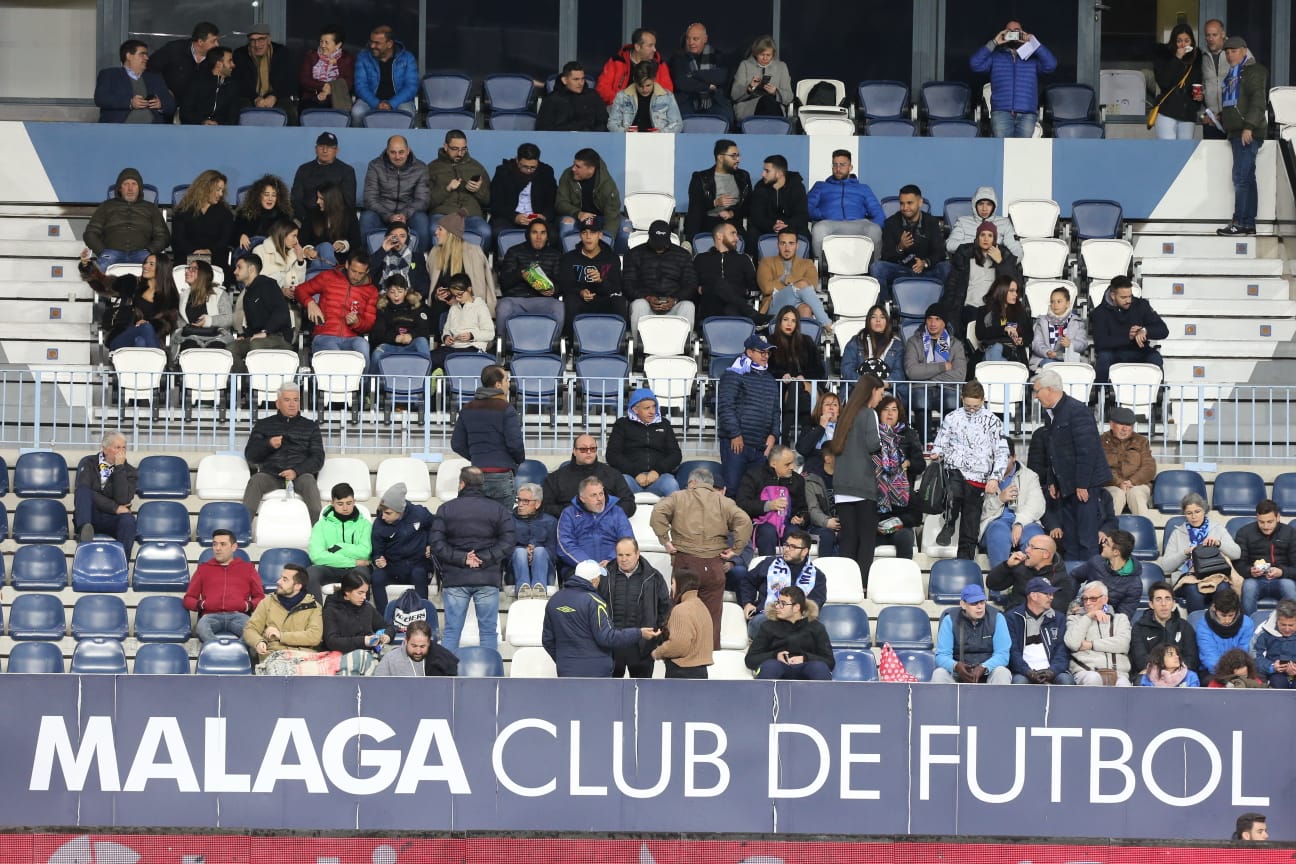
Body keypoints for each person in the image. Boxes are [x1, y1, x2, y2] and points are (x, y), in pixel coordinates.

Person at [651, 466, 753, 649]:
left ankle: (677, 654)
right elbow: (745, 522)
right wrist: (736, 550)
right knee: (711, 618)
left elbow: (658, 512)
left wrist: (665, 541)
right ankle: (706, 662)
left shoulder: (679, 497)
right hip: (714, 565)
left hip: (686, 563)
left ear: (692, 482)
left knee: (679, 613)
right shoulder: (724, 502)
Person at [429, 467, 514, 654]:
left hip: (455, 577)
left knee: (451, 631)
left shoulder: (446, 509)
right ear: (482, 484)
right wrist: (483, 558)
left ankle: (446, 676)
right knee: (488, 632)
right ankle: (491, 677)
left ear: (461, 484)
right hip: (487, 577)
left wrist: (464, 558)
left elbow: (436, 543)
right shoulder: (498, 509)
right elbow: (508, 542)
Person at [1032, 368, 1112, 561]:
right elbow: (1053, 453)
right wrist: (1052, 481)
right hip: (1066, 487)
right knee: (1070, 541)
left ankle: (1090, 585)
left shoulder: (1078, 411)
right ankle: (1072, 584)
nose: (1035, 396)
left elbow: (1088, 451)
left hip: (1084, 487)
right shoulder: (1051, 414)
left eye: (1037, 391)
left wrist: (1082, 484)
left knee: (1086, 540)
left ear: (1050, 389)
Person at [929, 380, 1009, 558]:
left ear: (983, 400)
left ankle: (965, 564)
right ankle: (949, 523)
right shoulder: (952, 418)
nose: (972, 409)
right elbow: (941, 442)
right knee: (953, 493)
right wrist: (936, 452)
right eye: (968, 405)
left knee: (970, 527)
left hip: (979, 479)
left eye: (976, 406)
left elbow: (1002, 451)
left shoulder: (993, 421)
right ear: (961, 398)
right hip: (955, 471)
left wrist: (995, 477)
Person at [543, 560, 661, 677]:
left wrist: (564, 661)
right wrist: (639, 633)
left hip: (566, 670)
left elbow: (547, 640)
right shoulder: (594, 601)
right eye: (599, 577)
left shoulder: (554, 600)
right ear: (594, 581)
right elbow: (607, 637)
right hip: (596, 672)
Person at [826, 374, 886, 587]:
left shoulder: (846, 414)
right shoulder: (869, 413)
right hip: (863, 485)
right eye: (880, 393)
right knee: (866, 540)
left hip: (842, 486)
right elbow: (873, 445)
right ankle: (861, 586)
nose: (881, 398)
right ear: (871, 391)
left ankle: (845, 585)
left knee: (848, 539)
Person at [242, 382, 324, 523]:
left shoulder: (310, 426)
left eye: (296, 400)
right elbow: (250, 455)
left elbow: (318, 458)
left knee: (310, 481)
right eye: (287, 400)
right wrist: (268, 444)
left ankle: (318, 531)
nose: (292, 404)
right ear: (278, 403)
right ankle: (242, 529)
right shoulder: (263, 424)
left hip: (300, 476)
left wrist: (296, 471)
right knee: (256, 480)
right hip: (271, 475)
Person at [451, 364, 525, 508]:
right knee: (503, 524)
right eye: (507, 380)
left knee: (477, 522)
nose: (509, 384)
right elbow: (515, 444)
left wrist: (477, 456)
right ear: (498, 385)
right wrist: (518, 461)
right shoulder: (505, 408)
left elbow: (457, 444)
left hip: (476, 474)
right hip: (501, 474)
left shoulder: (468, 408)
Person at [969, 19, 1057, 138]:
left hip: (1027, 114)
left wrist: (1033, 43)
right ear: (1004, 34)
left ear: (1023, 33)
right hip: (1001, 113)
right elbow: (975, 64)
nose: (1014, 34)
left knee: (1022, 154)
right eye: (1009, 31)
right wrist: (994, 42)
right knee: (1001, 152)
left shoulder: (1033, 59)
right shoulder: (996, 57)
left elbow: (1051, 65)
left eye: (1017, 31)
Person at [1156, 492, 1242, 613]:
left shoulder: (1217, 529)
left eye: (1197, 511)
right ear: (1184, 514)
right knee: (1193, 590)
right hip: (1187, 577)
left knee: (1223, 588)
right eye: (1189, 513)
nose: (1194, 516)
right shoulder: (1177, 533)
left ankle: (1221, 627)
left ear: (1204, 511)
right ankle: (1196, 629)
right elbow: (1166, 567)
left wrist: (1219, 544)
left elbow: (1237, 553)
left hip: (1215, 575)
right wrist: (1184, 553)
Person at [717, 333, 781, 494]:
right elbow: (726, 406)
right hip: (737, 445)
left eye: (768, 353)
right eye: (762, 352)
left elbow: (776, 411)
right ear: (749, 352)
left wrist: (773, 435)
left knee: (754, 492)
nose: (766, 356)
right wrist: (735, 434)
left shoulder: (770, 379)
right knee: (731, 490)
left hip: (760, 447)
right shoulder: (733, 374)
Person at [78, 249, 179, 351]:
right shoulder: (130, 282)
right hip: (121, 336)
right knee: (145, 329)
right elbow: (102, 283)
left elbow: (168, 323)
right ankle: (160, 363)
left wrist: (148, 324)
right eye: (145, 262)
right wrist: (86, 265)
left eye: (151, 264)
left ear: (162, 268)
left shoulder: (170, 295)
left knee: (141, 339)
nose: (145, 266)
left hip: (150, 338)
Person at [1216, 36, 1267, 236]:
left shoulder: (1254, 71)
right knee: (1247, 177)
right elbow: (1235, 104)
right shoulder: (1232, 74)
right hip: (1238, 132)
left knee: (1240, 178)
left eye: (1234, 51)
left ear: (1244, 51)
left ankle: (1240, 222)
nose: (1230, 55)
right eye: (1227, 52)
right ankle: (1248, 223)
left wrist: (1249, 126)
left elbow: (1258, 102)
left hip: (1248, 132)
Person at [600, 538, 671, 678]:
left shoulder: (654, 577)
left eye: (628, 555)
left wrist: (655, 639)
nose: (624, 559)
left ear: (637, 554)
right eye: (620, 555)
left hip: (642, 649)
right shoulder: (604, 575)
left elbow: (665, 610)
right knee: (609, 695)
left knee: (642, 696)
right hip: (612, 647)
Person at [871, 184, 949, 303]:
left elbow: (940, 252)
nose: (905, 207)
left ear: (920, 202)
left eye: (909, 203)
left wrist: (926, 263)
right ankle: (886, 310)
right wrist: (900, 247)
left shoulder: (932, 222)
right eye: (902, 203)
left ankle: (942, 311)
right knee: (877, 267)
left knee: (947, 267)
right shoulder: (891, 223)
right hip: (902, 271)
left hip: (927, 270)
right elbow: (886, 256)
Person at [183, 528, 262, 643]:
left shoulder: (248, 568)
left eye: (223, 544)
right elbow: (188, 599)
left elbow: (260, 598)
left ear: (234, 547)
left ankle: (237, 652)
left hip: (239, 616)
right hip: (210, 616)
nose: (217, 548)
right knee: (201, 628)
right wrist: (202, 604)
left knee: (252, 632)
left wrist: (247, 605)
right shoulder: (204, 569)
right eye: (215, 544)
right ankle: (217, 650)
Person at [740, 528, 823, 637]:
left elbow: (815, 603)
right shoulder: (769, 564)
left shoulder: (816, 575)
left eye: (793, 547)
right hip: (766, 617)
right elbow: (747, 581)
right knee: (764, 624)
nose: (787, 549)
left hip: (797, 621)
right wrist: (747, 603)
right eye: (786, 545)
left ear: (805, 551)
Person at [943, 227, 1024, 338]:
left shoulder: (1004, 257)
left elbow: (1013, 286)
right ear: (977, 238)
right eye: (982, 235)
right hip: (970, 308)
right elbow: (951, 285)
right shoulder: (965, 257)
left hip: (994, 310)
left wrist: (1001, 262)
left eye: (990, 235)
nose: (986, 239)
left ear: (995, 240)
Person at [978, 438, 1045, 569]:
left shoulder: (1030, 476)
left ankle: (1032, 585)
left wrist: (1019, 522)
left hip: (1026, 523)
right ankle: (998, 587)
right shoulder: (982, 477)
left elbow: (1037, 505)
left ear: (1013, 457)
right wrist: (999, 500)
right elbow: (978, 512)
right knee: (999, 532)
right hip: (994, 523)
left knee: (1035, 537)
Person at [83, 168, 170, 270]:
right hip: (111, 253)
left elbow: (163, 236)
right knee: (97, 271)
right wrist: (102, 251)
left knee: (157, 271)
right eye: (126, 184)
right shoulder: (106, 206)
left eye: (134, 184)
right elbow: (90, 233)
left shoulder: (151, 208)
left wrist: (150, 251)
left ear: (139, 188)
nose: (130, 189)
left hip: (143, 254)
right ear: (120, 188)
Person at [1089, 276, 1169, 385]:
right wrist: (1128, 337)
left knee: (1155, 357)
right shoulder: (1099, 312)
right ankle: (1101, 396)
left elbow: (1163, 330)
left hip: (1140, 351)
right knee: (1103, 358)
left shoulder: (1141, 305)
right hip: (1113, 353)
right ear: (1113, 295)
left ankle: (1156, 396)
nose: (1128, 300)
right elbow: (1101, 342)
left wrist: (1144, 330)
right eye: (1123, 297)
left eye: (1130, 296)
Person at [624, 220, 698, 336]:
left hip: (673, 304)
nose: (659, 247)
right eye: (656, 243)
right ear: (649, 237)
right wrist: (647, 297)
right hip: (646, 303)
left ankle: (683, 348)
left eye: (663, 243)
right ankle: (637, 347)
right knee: (639, 305)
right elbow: (628, 284)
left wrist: (675, 299)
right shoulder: (634, 254)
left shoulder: (682, 254)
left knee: (688, 306)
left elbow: (691, 284)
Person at [806, 150, 885, 259]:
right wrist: (822, 213)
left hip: (857, 224)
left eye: (842, 165)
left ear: (850, 167)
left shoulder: (863, 188)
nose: (838, 169)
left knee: (874, 230)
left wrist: (875, 224)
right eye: (835, 165)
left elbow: (878, 212)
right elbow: (806, 208)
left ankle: (874, 268)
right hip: (831, 224)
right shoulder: (821, 186)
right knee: (819, 229)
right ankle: (820, 270)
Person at [904, 304, 968, 438]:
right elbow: (912, 372)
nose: (933, 323)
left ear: (944, 322)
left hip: (948, 389)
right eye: (929, 319)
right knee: (922, 400)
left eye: (938, 319)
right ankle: (926, 444)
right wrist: (942, 367)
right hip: (921, 389)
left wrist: (926, 374)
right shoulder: (914, 342)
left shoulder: (955, 344)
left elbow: (959, 376)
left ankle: (948, 445)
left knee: (952, 401)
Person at [296, 252, 377, 358]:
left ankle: (360, 376)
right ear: (347, 265)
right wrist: (310, 303)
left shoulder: (371, 291)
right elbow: (300, 290)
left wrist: (357, 322)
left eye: (361, 273)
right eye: (353, 271)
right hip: (325, 335)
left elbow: (369, 323)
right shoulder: (329, 277)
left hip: (351, 338)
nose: (356, 276)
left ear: (367, 271)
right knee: (336, 356)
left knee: (363, 345)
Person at [556, 215, 626, 337]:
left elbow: (616, 288)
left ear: (600, 235)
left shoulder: (611, 258)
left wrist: (601, 281)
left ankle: (618, 344)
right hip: (580, 301)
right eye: (584, 232)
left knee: (619, 301)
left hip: (604, 300)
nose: (588, 237)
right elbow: (565, 285)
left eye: (593, 232)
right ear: (580, 235)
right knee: (571, 302)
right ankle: (572, 347)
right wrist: (580, 292)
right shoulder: (569, 258)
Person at [606, 388, 682, 497]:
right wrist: (635, 473)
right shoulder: (622, 424)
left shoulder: (664, 424)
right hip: (630, 477)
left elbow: (675, 454)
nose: (652, 411)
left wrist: (657, 471)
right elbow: (612, 455)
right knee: (622, 483)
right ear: (635, 410)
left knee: (671, 484)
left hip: (659, 477)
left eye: (654, 406)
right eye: (647, 408)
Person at [745, 586, 834, 680]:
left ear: (796, 607)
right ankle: (765, 695)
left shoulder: (816, 627)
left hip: (807, 668)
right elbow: (750, 659)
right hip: (777, 667)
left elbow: (830, 662)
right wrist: (775, 655)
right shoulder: (768, 626)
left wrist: (805, 658)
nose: (777, 606)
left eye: (783, 603)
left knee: (819, 668)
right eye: (777, 602)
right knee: (770, 666)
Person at [736, 445, 810, 556]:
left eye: (793, 463)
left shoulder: (797, 480)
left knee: (795, 534)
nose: (792, 467)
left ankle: (793, 570)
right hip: (759, 524)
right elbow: (742, 504)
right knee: (768, 531)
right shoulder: (754, 476)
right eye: (787, 464)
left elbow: (803, 509)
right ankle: (766, 569)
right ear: (774, 464)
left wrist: (802, 518)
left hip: (787, 524)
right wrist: (768, 506)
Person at [244, 563, 323, 666]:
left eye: (285, 579)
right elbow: (250, 629)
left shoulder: (314, 607)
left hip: (303, 658)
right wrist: (258, 642)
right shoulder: (267, 602)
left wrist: (281, 635)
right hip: (272, 656)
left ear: (297, 586)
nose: (278, 582)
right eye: (281, 577)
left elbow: (314, 637)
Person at [541, 435, 636, 519]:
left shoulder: (612, 474)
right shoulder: (556, 478)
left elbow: (628, 503)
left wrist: (607, 514)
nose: (589, 452)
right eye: (583, 449)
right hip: (571, 525)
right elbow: (545, 506)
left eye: (593, 448)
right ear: (574, 451)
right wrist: (574, 513)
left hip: (607, 525)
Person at [305, 482, 372, 603]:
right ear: (332, 503)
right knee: (310, 574)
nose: (345, 508)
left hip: (355, 569)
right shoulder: (321, 526)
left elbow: (365, 552)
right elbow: (316, 556)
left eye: (349, 503)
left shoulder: (365, 525)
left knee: (363, 575)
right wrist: (353, 561)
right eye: (340, 504)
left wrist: (339, 547)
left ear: (354, 501)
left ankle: (361, 617)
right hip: (332, 567)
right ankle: (316, 616)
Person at [768, 305, 827, 440]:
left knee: (798, 386)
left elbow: (819, 370)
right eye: (786, 319)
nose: (789, 324)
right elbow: (768, 368)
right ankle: (806, 437)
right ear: (779, 322)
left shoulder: (807, 341)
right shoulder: (771, 341)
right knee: (799, 391)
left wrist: (804, 377)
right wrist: (782, 375)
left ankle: (784, 433)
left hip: (808, 385)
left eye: (793, 321)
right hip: (783, 388)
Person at [73, 431, 138, 553]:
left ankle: (122, 566)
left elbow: (123, 500)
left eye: (124, 448)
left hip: (112, 519)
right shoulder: (89, 463)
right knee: (83, 491)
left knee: (128, 520)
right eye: (117, 447)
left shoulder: (130, 472)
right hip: (90, 516)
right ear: (105, 449)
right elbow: (85, 492)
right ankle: (84, 534)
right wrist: (115, 507)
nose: (121, 451)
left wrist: (119, 468)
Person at [227, 253, 293, 373]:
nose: (235, 271)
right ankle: (244, 383)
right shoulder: (247, 294)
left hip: (278, 336)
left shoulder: (268, 285)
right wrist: (245, 336)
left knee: (256, 345)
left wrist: (266, 331)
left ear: (251, 269)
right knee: (231, 348)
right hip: (257, 337)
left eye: (239, 267)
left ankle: (260, 385)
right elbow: (255, 324)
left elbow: (280, 312)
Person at [427, 130, 493, 249]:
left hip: (470, 215)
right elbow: (427, 202)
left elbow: (489, 201)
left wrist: (477, 190)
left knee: (486, 232)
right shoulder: (432, 168)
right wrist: (447, 189)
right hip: (443, 215)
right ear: (445, 146)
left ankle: (480, 265)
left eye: (463, 149)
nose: (460, 153)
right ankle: (441, 266)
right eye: (455, 149)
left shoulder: (476, 167)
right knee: (433, 230)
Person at [426, 210, 498, 319]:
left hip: (469, 304)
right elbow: (433, 284)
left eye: (440, 229)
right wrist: (438, 294)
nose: (436, 232)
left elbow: (479, 289)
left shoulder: (473, 252)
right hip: (443, 304)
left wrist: (459, 298)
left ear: (451, 234)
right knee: (437, 311)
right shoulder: (435, 252)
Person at [932, 583, 1011, 684]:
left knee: (1002, 672)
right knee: (939, 674)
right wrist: (955, 666)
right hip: (958, 674)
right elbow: (942, 655)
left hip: (988, 673)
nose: (980, 607)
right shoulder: (950, 619)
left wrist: (985, 667)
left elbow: (1003, 655)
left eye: (982, 602)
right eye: (974, 603)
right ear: (963, 604)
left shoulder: (997, 617)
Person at [556, 477, 634, 577]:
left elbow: (627, 540)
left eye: (601, 494)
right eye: (594, 495)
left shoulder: (616, 511)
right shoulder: (569, 514)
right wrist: (589, 565)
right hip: (579, 568)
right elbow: (565, 545)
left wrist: (611, 560)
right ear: (582, 498)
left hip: (613, 566)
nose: (599, 498)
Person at [370, 482, 434, 604]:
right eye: (382, 511)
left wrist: (430, 544)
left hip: (417, 564)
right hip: (392, 567)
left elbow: (435, 526)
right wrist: (378, 560)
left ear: (400, 511)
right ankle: (384, 620)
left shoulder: (419, 513)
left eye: (388, 513)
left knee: (419, 574)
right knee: (376, 577)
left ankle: (421, 618)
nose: (383, 516)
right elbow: (376, 552)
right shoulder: (379, 524)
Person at [360, 135, 431, 243]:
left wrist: (404, 214)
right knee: (367, 218)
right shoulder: (375, 166)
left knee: (421, 220)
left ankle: (420, 258)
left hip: (408, 216)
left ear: (408, 151)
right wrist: (389, 216)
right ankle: (366, 258)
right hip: (382, 214)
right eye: (393, 152)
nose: (397, 156)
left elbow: (423, 200)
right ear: (387, 151)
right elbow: (370, 198)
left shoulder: (420, 168)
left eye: (401, 152)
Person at [694, 222, 767, 325]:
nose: (737, 238)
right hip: (710, 306)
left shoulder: (743, 259)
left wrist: (705, 288)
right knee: (718, 284)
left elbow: (754, 288)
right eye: (733, 233)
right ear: (719, 236)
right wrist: (710, 289)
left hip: (736, 307)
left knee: (729, 307)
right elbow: (693, 286)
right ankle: (754, 316)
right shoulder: (701, 259)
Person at [1232, 500, 1296, 616]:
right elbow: (1238, 564)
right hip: (1254, 579)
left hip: (1282, 578)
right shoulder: (1244, 533)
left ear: (1278, 517)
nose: (1266, 526)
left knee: (1290, 587)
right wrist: (1250, 571)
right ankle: (1249, 628)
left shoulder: (1290, 533)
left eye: (1270, 522)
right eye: (1261, 522)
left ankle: (1292, 628)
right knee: (1248, 587)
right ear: (1257, 518)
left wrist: (1281, 572)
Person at [1006, 576, 1074, 685]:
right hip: (1024, 672)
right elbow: (1012, 651)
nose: (1051, 597)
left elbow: (1062, 651)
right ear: (1033, 596)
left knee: (1066, 680)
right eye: (1047, 594)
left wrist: (1052, 671)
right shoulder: (1013, 618)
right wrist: (1027, 672)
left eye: (1052, 594)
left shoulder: (1059, 618)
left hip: (1052, 671)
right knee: (1019, 682)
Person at [149, 21, 221, 121]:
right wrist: (163, 91)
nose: (217, 45)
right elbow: (150, 68)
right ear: (200, 42)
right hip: (167, 110)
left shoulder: (215, 60)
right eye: (214, 41)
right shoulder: (173, 49)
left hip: (195, 114)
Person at [1129, 581, 1199, 683]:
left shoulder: (1184, 627)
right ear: (1151, 604)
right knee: (1140, 680)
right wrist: (1164, 670)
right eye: (1158, 599)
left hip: (1179, 674)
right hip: (1150, 676)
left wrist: (1172, 671)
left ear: (1174, 603)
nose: (1163, 604)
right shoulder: (1139, 627)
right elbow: (1140, 661)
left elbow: (1192, 660)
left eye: (1168, 599)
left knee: (1192, 677)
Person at [1065, 581, 1133, 686]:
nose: (1088, 603)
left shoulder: (1120, 619)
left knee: (1124, 686)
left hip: (1118, 673)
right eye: (1085, 599)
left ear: (1104, 599)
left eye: (1093, 599)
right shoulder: (1074, 619)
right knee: (1093, 678)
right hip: (1087, 671)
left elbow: (1123, 644)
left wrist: (1091, 644)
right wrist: (1088, 617)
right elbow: (1073, 643)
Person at [757, 230, 831, 325]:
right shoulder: (766, 262)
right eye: (783, 243)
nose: (787, 248)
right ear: (777, 245)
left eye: (791, 243)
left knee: (806, 309)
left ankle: (805, 339)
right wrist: (796, 285)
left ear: (797, 245)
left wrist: (786, 279)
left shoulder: (807, 263)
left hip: (799, 303)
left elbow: (812, 285)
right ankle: (827, 324)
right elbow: (767, 288)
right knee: (802, 284)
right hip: (775, 304)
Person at [986, 533, 1075, 613]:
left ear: (1045, 554)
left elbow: (1057, 610)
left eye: (1032, 547)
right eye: (1028, 545)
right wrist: (1007, 566)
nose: (1027, 550)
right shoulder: (1021, 566)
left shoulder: (1061, 579)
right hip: (1013, 619)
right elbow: (992, 585)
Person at [683, 139, 751, 241]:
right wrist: (715, 202)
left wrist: (732, 213)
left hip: (733, 222)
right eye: (733, 156)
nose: (738, 159)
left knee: (749, 238)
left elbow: (749, 205)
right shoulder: (700, 178)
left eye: (738, 155)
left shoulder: (743, 177)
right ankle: (691, 244)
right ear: (720, 158)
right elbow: (695, 207)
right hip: (709, 222)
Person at [488, 143, 557, 241]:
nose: (529, 170)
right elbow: (496, 204)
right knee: (499, 233)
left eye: (533, 167)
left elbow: (552, 202)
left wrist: (544, 216)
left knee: (553, 235)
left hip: (537, 218)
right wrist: (515, 217)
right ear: (517, 160)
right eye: (525, 166)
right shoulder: (503, 172)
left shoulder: (546, 172)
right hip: (509, 217)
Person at [652, 571, 714, 679]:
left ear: (681, 584)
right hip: (701, 673)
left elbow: (679, 646)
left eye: (673, 583)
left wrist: (658, 652)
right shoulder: (702, 607)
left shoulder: (681, 610)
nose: (671, 587)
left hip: (682, 673)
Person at [94, 39, 174, 123]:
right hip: (118, 131)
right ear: (129, 56)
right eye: (142, 54)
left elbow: (171, 106)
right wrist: (130, 102)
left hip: (152, 132)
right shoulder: (110, 75)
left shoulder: (155, 78)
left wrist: (161, 105)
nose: (147, 58)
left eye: (146, 55)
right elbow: (101, 99)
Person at [351, 25, 419, 123]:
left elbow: (411, 87)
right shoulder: (363, 57)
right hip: (370, 100)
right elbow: (360, 86)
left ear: (389, 43)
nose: (372, 46)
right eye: (371, 41)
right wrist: (376, 103)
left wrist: (391, 103)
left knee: (407, 113)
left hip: (399, 101)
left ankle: (401, 139)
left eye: (377, 43)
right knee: (357, 112)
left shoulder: (408, 58)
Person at [1069, 529, 1143, 619]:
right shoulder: (1096, 562)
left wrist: (1099, 611)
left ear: (1116, 552)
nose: (1103, 545)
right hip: (1083, 614)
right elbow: (1074, 576)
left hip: (1107, 624)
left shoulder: (1134, 584)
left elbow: (1122, 617)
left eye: (1107, 544)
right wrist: (1072, 602)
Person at [428, 273, 494, 373]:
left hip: (473, 347)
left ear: (469, 289)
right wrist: (446, 337)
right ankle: (435, 380)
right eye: (454, 295)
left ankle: (441, 372)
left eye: (460, 294)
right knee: (428, 358)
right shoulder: (454, 308)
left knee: (455, 360)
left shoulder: (480, 307)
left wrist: (471, 336)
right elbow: (446, 329)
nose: (457, 298)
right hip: (453, 347)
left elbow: (490, 334)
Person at [555, 148, 623, 243]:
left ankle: (608, 256)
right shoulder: (567, 175)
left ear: (591, 169)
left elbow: (612, 216)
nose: (573, 169)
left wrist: (605, 240)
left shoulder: (608, 185)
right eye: (574, 164)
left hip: (599, 219)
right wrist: (578, 213)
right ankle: (570, 257)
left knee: (625, 228)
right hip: (576, 217)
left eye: (578, 166)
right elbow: (560, 203)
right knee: (567, 224)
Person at [668, 23, 731, 124]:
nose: (691, 42)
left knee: (724, 117)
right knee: (680, 119)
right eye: (688, 39)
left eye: (695, 39)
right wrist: (707, 86)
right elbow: (682, 82)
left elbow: (720, 77)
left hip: (714, 100)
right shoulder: (678, 58)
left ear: (705, 39)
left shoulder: (717, 55)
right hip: (687, 101)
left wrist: (693, 74)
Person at [232, 24, 297, 122]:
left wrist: (274, 96)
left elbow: (289, 80)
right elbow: (239, 82)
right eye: (253, 40)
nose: (257, 45)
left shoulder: (281, 52)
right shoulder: (240, 54)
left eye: (261, 39)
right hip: (250, 96)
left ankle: (290, 137)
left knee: (289, 110)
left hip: (276, 95)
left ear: (269, 39)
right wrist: (255, 98)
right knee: (239, 108)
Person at [366, 274, 430, 373]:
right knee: (376, 354)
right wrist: (395, 338)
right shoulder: (383, 308)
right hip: (390, 345)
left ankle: (425, 382)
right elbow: (377, 334)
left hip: (410, 345)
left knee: (422, 341)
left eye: (400, 291)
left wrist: (411, 335)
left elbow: (424, 329)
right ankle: (370, 386)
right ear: (387, 292)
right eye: (392, 292)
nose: (396, 295)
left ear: (405, 292)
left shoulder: (416, 306)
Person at [171, 170, 234, 269]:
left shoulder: (225, 213)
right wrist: (195, 252)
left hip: (214, 259)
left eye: (222, 190)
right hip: (187, 257)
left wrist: (209, 251)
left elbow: (224, 241)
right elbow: (178, 239)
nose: (221, 194)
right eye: (218, 190)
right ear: (206, 188)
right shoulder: (183, 211)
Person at [172, 259, 234, 359]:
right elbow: (180, 322)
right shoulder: (183, 296)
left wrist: (208, 321)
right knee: (189, 348)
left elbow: (228, 318)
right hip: (190, 337)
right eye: (188, 268)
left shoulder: (219, 293)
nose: (188, 271)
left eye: (193, 269)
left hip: (216, 336)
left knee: (216, 349)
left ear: (203, 274)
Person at [290, 132, 358, 223]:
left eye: (329, 147)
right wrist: (305, 219)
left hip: (335, 220)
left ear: (336, 150)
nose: (325, 150)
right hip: (306, 218)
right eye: (321, 146)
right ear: (315, 149)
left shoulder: (347, 171)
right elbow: (296, 199)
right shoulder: (304, 169)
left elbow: (348, 202)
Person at [322, 571, 389, 661]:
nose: (364, 597)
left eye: (365, 593)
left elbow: (387, 626)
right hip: (341, 658)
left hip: (368, 656)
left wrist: (387, 636)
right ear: (347, 592)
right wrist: (363, 641)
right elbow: (332, 641)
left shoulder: (367, 607)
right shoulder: (331, 610)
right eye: (360, 593)